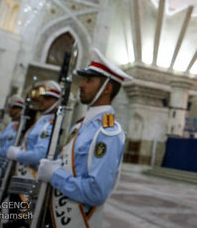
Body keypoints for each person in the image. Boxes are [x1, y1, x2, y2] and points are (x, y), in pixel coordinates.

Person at [36, 48, 130, 227]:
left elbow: (96, 192)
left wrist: (55, 175)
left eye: (89, 80)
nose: (81, 85)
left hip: (74, 219)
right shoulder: (81, 125)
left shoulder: (108, 132)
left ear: (107, 88)